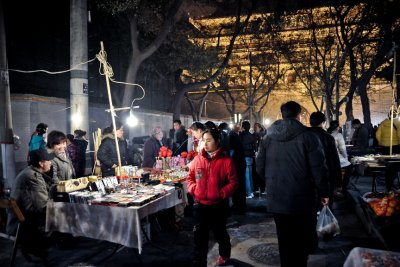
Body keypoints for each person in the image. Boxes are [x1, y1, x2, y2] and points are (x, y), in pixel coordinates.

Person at [256, 101, 329, 267]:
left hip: (277, 197)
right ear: (299, 115)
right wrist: (324, 192)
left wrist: (272, 181)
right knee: (301, 240)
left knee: (284, 239)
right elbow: (319, 169)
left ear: (282, 115)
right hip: (302, 198)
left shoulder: (267, 138)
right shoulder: (309, 136)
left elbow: (259, 167)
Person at [186, 128, 238, 267]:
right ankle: (199, 263)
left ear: (218, 141)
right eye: (203, 140)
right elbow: (190, 178)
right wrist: (194, 189)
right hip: (201, 205)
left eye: (209, 140)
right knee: (199, 238)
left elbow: (233, 182)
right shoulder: (198, 159)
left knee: (220, 233)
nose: (205, 144)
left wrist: (221, 194)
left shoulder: (226, 161)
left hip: (218, 206)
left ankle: (225, 254)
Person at [7, 148, 54, 260]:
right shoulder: (33, 177)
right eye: (48, 160)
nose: (51, 162)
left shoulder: (28, 171)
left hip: (17, 220)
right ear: (41, 163)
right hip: (25, 225)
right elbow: (43, 206)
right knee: (61, 217)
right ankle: (37, 248)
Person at [309, 112, 342, 208]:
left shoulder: (304, 136)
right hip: (327, 176)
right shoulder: (328, 137)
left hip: (308, 177)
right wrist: (338, 182)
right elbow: (335, 160)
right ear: (323, 122)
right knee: (326, 206)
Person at [328, 120, 353, 193]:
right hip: (336, 158)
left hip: (328, 159)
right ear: (337, 127)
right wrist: (346, 158)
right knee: (349, 167)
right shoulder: (338, 135)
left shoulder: (327, 134)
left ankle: (338, 185)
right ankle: (343, 186)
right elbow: (342, 149)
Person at [239, 120, 256, 198]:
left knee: (246, 176)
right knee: (250, 175)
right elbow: (254, 146)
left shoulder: (241, 135)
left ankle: (249, 193)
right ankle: (251, 191)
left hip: (244, 156)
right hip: (250, 156)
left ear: (243, 127)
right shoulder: (252, 136)